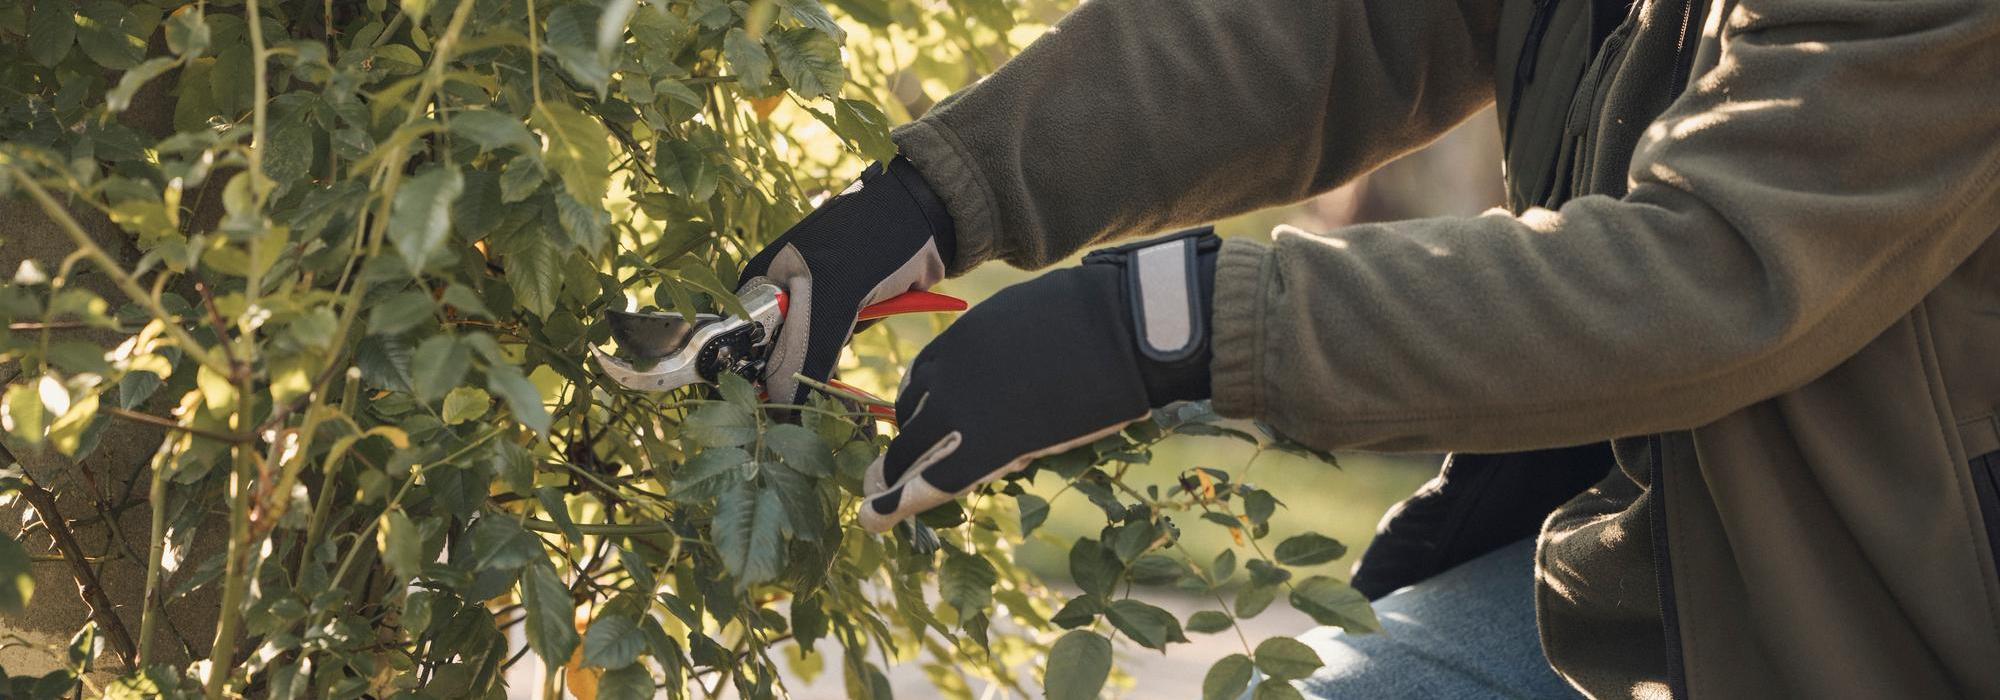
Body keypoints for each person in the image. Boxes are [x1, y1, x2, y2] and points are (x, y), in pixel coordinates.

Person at [737, 0, 2000, 696]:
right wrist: (935, 194)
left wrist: (1163, 323)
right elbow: (1338, 29)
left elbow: (1709, 275)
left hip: (1876, 631)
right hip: (1645, 573)